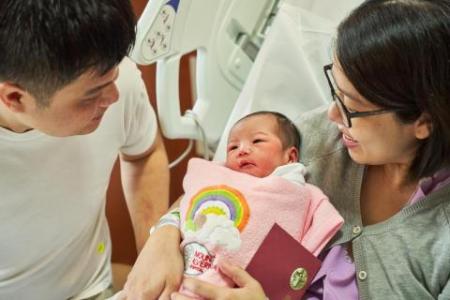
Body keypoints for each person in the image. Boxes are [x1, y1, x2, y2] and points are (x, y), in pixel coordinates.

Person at [123, 0, 450, 299]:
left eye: (353, 106)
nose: (333, 115)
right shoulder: (316, 138)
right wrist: (164, 234)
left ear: (423, 121)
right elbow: (221, 188)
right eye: (335, 92)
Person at [0, 1, 169, 299]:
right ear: (15, 98)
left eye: (114, 78)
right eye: (91, 95)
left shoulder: (111, 77)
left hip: (93, 285)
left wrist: (153, 248)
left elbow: (144, 154)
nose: (114, 97)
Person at [175, 111, 342, 297]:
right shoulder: (219, 178)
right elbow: (192, 203)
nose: (242, 150)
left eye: (257, 141)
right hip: (193, 270)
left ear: (290, 157)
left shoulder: (292, 189)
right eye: (232, 147)